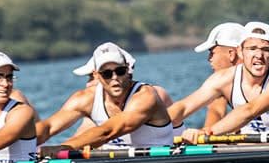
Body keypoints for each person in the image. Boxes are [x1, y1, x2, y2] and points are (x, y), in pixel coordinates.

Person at [176, 22, 269, 141]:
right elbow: (184, 107)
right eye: (252, 49)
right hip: (250, 153)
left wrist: (206, 132)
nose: (259, 55)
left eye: (266, 50)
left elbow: (250, 110)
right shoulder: (222, 79)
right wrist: (158, 126)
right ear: (240, 51)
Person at [39, 43, 176, 151]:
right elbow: (49, 127)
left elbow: (107, 132)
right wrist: (23, 141)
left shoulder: (145, 96)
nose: (115, 78)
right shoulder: (85, 98)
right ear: (97, 75)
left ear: (128, 71)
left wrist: (61, 148)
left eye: (120, 71)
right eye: (107, 74)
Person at [168, 21, 244, 127]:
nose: (209, 59)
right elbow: (186, 107)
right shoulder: (220, 81)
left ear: (231, 54)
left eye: (212, 53)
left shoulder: (267, 76)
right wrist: (154, 123)